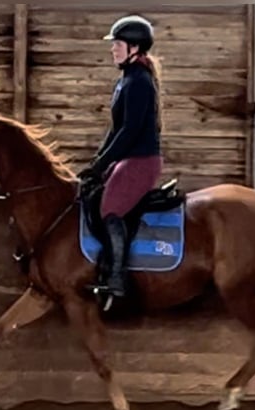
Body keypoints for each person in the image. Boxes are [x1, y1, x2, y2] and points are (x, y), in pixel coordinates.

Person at [78, 14, 164, 299]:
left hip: (141, 160)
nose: (113, 49)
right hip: (128, 158)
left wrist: (104, 163)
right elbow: (115, 129)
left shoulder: (139, 81)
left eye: (118, 44)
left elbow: (129, 131)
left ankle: (117, 278)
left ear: (135, 49)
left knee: (110, 209)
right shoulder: (126, 79)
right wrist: (96, 163)